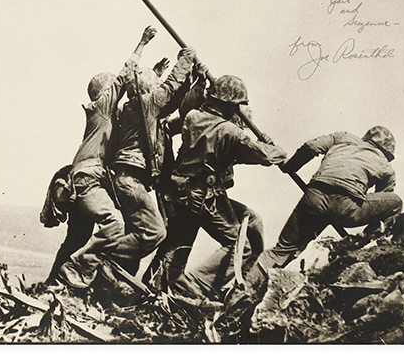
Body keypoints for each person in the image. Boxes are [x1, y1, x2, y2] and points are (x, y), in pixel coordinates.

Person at [148, 73, 287, 299]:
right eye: (236, 106)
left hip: (181, 193)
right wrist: (274, 147)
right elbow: (266, 156)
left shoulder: (193, 117)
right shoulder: (230, 132)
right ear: (229, 105)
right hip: (204, 198)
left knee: (176, 247)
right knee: (240, 247)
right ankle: (196, 287)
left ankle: (154, 286)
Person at [55, 26, 157, 288]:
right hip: (87, 179)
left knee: (77, 238)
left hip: (90, 179)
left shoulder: (111, 117)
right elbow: (124, 77)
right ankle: (77, 270)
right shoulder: (101, 108)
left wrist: (154, 75)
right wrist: (142, 43)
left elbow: (139, 98)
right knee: (114, 224)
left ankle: (55, 283)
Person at [105, 47, 198, 274]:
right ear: (147, 89)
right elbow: (170, 88)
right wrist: (186, 59)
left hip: (129, 180)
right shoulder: (145, 104)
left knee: (136, 234)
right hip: (131, 180)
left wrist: (193, 81)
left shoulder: (138, 109)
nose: (158, 88)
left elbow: (174, 100)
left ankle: (115, 282)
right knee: (154, 232)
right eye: (155, 85)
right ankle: (98, 257)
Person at [256, 126, 402, 270]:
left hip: (314, 199)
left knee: (282, 250)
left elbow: (311, 146)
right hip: (345, 208)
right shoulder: (386, 166)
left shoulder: (343, 137)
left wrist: (290, 166)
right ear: (387, 152)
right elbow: (381, 206)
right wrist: (369, 235)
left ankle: (248, 282)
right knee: (395, 202)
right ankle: (372, 243)